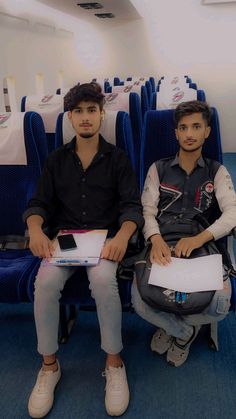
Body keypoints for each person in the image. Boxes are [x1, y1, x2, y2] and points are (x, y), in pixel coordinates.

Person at [23, 82, 143, 418]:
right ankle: (49, 366)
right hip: (66, 239)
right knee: (44, 284)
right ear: (69, 117)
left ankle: (114, 362)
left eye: (92, 110)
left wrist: (122, 236)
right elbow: (38, 203)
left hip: (105, 240)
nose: (86, 117)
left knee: (104, 282)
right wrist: (34, 229)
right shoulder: (56, 160)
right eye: (79, 111)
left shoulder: (118, 159)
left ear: (102, 115)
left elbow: (132, 206)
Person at [132, 100, 236, 367]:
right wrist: (154, 239)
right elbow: (146, 210)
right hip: (162, 242)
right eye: (183, 127)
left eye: (196, 127)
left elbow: (232, 214)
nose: (189, 133)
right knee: (138, 301)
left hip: (200, 243)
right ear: (176, 132)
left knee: (222, 303)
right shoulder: (158, 168)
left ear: (207, 132)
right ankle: (184, 332)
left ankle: (171, 328)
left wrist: (200, 238)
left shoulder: (217, 171)